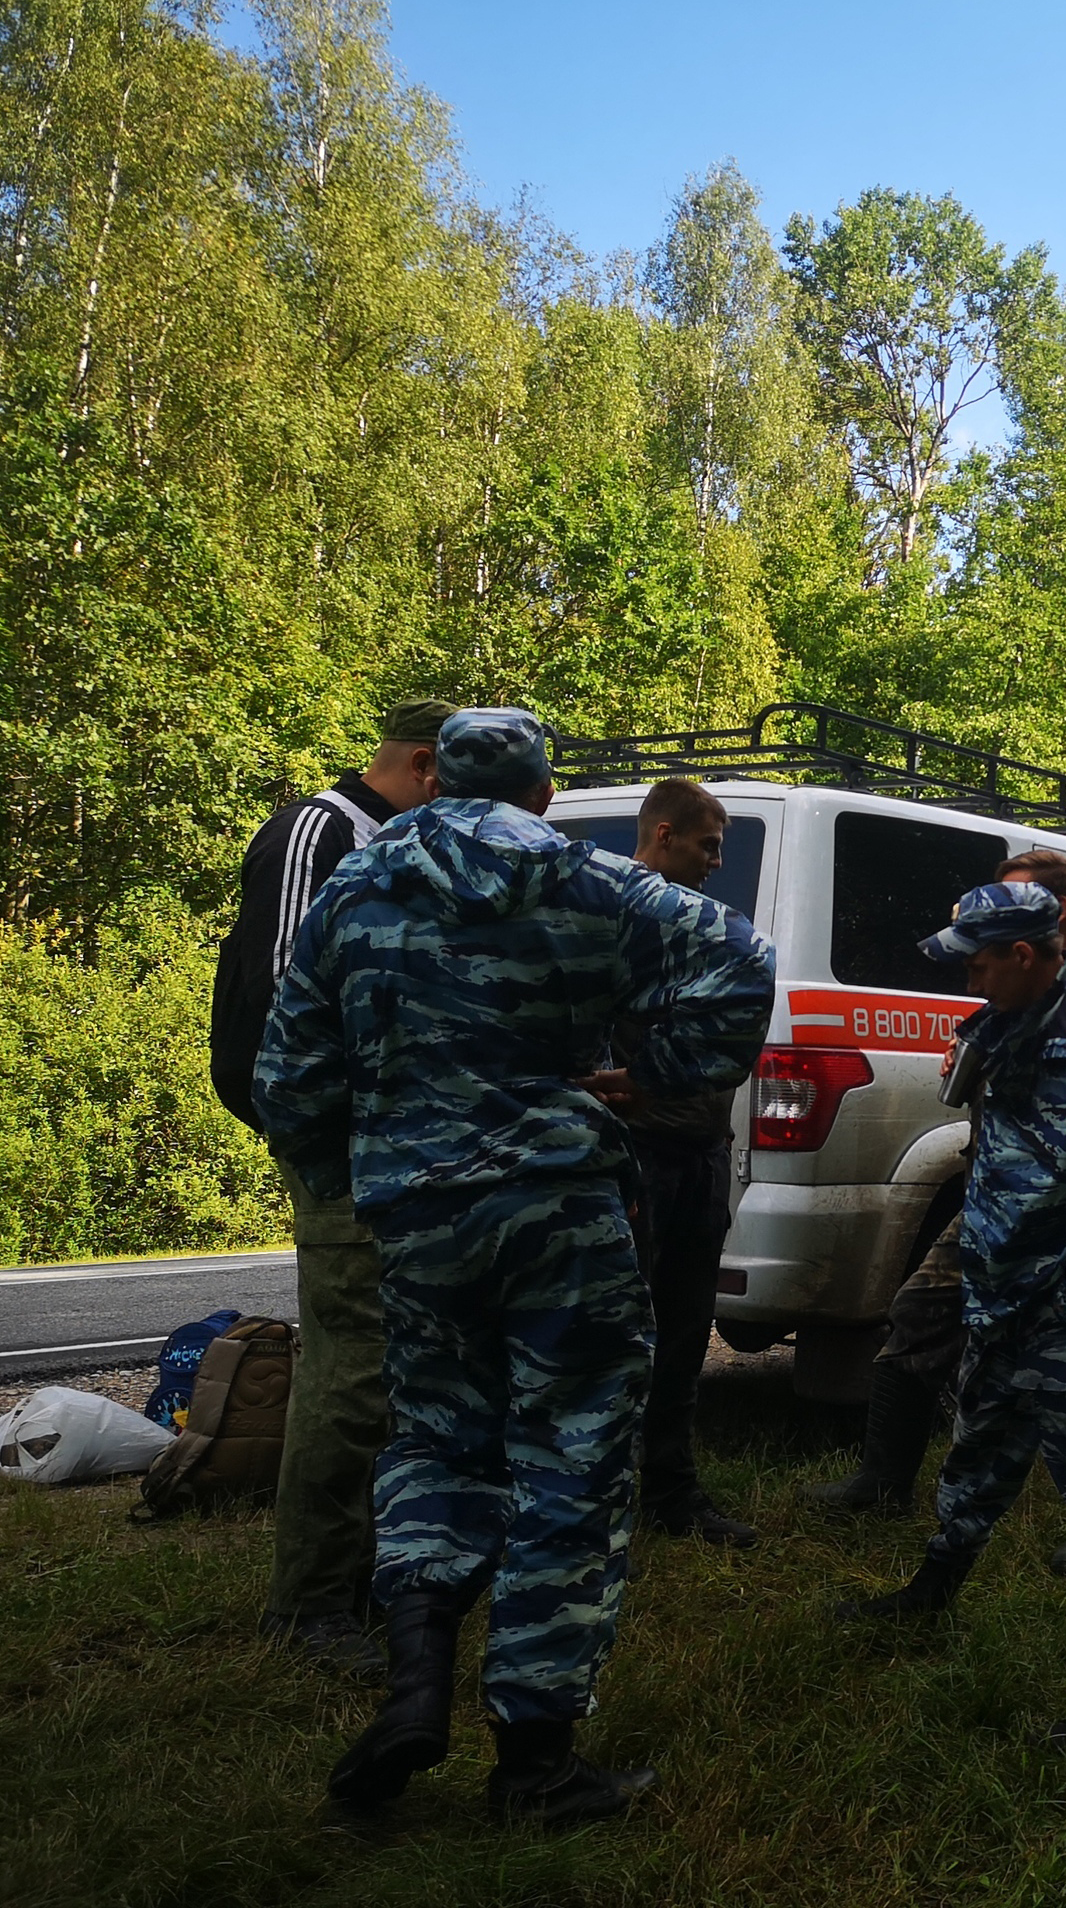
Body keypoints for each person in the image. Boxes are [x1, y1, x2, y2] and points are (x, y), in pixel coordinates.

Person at [256, 708, 775, 1824]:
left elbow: (288, 1075)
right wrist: (657, 1070)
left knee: (437, 1440)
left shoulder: (351, 891)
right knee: (571, 1455)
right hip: (557, 1213)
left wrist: (356, 1159)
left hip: (418, 1220)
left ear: (436, 783)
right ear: (543, 795)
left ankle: (414, 1687)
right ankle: (535, 1761)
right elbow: (742, 959)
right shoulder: (586, 882)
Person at [836, 882, 1066, 1745]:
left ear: (1028, 954)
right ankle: (932, 1592)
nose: (972, 979)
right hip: (1001, 1291)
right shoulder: (1010, 1020)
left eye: (982, 963)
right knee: (980, 1450)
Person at [802, 848, 1066, 1517]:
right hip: (998, 1188)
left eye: (1006, 896)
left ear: (1058, 912)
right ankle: (882, 1480)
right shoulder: (1016, 978)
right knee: (922, 1308)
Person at [206, 696, 454, 1678]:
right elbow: (283, 1000)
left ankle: (367, 1577)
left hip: (396, 1142)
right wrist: (326, 1132)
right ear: (427, 765)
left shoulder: (393, 844)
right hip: (341, 1140)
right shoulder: (321, 829)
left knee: (390, 1366)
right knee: (352, 1373)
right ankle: (311, 1608)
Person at [579, 777, 758, 1548]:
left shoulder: (708, 930)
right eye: (708, 845)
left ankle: (673, 1497)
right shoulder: (616, 920)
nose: (717, 861)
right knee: (616, 1337)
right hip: (636, 1157)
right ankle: (595, 1504)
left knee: (686, 1333)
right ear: (662, 836)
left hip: (700, 1155)